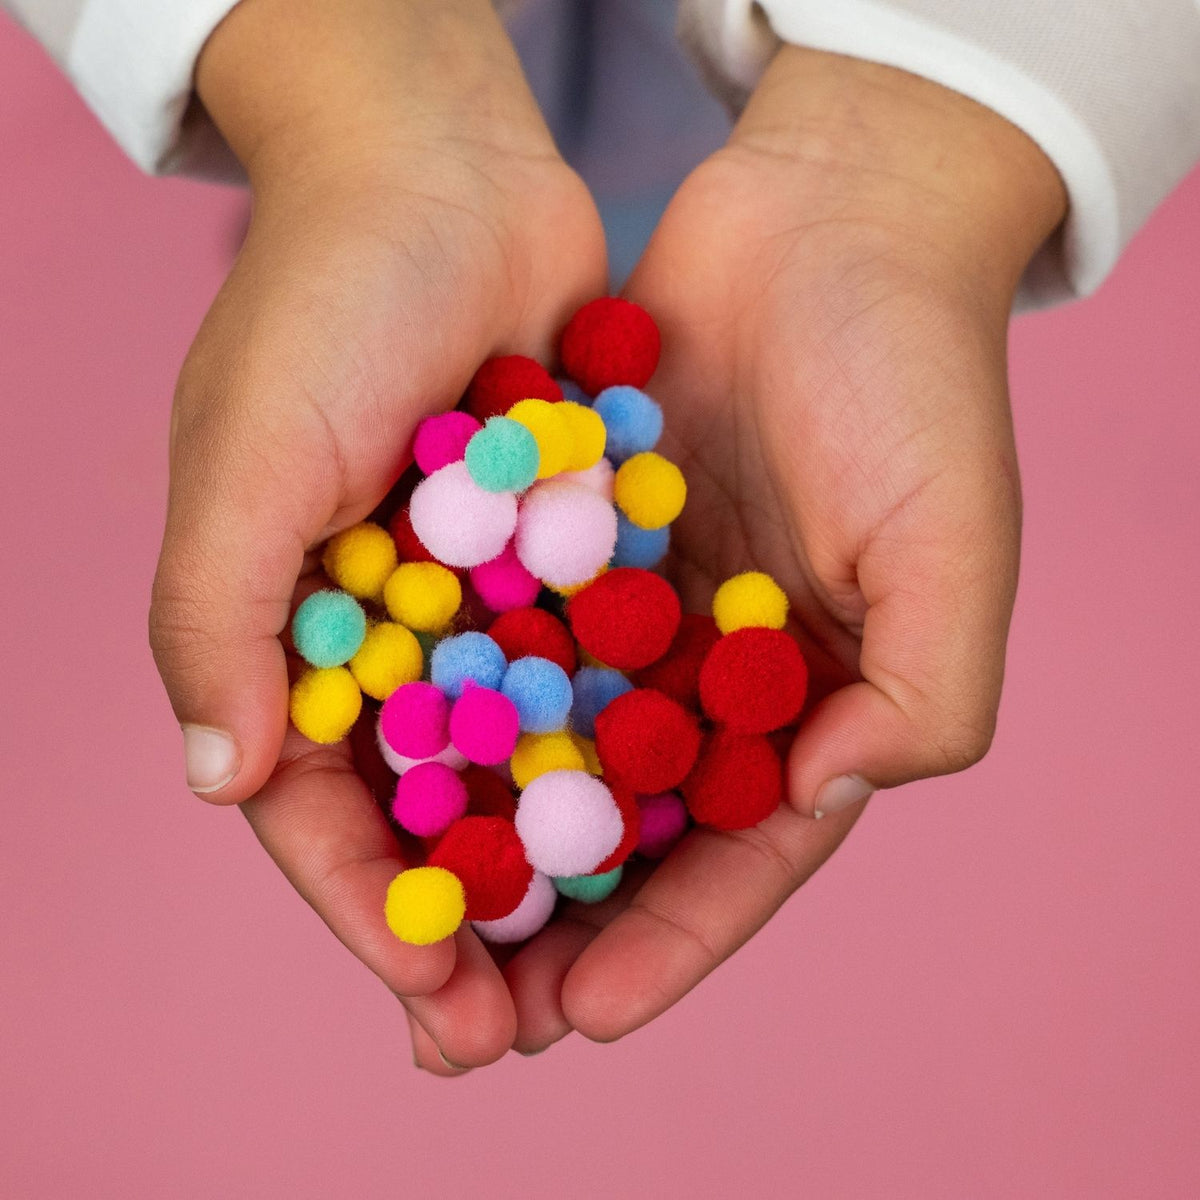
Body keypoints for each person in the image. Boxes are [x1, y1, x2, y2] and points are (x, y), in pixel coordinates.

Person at [6, 0, 1198, 1075]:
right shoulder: (519, 611)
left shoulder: (548, 605)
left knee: (649, 180)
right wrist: (350, 86)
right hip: (438, 125)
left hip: (757, 100)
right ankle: (392, 208)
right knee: (457, 216)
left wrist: (916, 154)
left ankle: (462, 201)